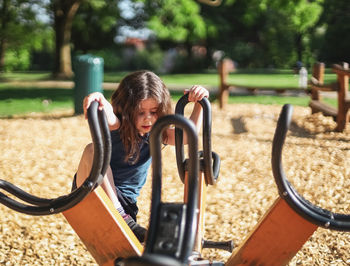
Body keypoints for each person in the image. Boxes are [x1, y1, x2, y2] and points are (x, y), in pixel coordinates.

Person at [72, 70, 209, 243]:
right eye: (140, 112)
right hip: (92, 191)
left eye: (154, 111)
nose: (148, 119)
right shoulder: (118, 125)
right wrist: (97, 97)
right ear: (127, 110)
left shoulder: (158, 133)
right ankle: (119, 215)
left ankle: (122, 216)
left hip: (125, 205)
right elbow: (107, 115)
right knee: (92, 150)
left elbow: (188, 136)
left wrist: (199, 104)